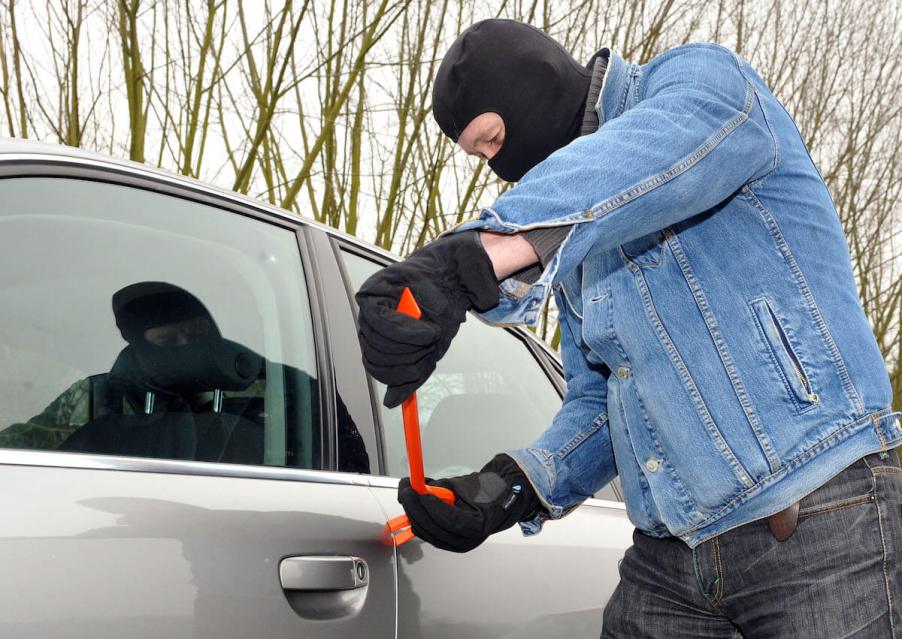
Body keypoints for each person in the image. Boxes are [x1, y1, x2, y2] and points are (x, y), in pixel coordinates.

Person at [354, 18, 902, 638]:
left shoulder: (702, 83)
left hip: (816, 523)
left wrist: (475, 257)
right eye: (478, 156)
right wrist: (512, 486)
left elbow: (645, 159)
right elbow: (611, 401)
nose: (497, 166)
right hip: (668, 560)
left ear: (535, 85)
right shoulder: (574, 240)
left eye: (494, 139)